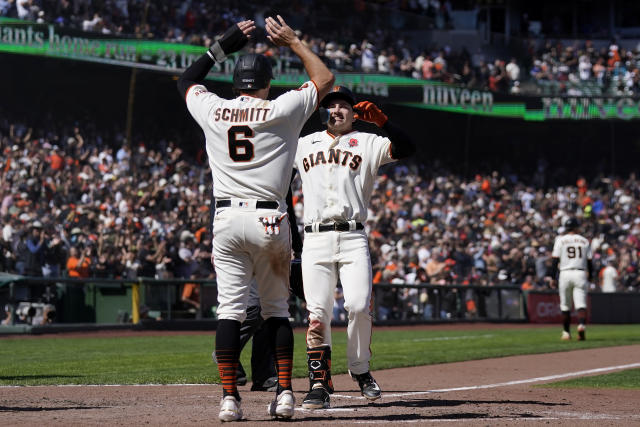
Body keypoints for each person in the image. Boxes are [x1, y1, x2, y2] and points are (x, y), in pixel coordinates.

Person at [177, 17, 334, 422]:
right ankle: (283, 394)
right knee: (276, 310)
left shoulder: (214, 109)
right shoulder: (282, 108)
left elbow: (185, 81)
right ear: (267, 83)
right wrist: (294, 42)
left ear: (234, 84)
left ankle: (229, 399)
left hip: (227, 219)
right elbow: (325, 78)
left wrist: (221, 45)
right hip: (269, 219)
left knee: (229, 311)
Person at [293, 85, 415, 409]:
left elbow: (408, 147)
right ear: (323, 112)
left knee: (359, 306)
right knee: (317, 313)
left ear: (354, 113)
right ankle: (319, 384)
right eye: (331, 105)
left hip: (352, 236)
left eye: (344, 105)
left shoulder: (368, 142)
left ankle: (360, 369)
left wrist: (384, 122)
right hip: (315, 238)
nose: (337, 110)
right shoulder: (303, 144)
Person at [550, 217, 592, 341]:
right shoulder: (584, 241)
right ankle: (581, 325)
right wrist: (592, 276)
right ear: (576, 227)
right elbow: (590, 262)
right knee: (581, 304)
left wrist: (553, 277)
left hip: (565, 273)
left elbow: (554, 260)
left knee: (565, 305)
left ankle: (566, 332)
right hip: (580, 272)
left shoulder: (560, 240)